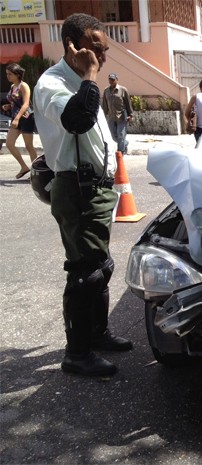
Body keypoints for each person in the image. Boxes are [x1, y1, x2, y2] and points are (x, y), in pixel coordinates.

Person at [33, 13, 133, 377]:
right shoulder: (53, 83)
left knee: (100, 265)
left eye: (104, 51)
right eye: (95, 48)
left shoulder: (80, 81)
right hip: (77, 187)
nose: (101, 58)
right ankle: (77, 353)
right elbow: (77, 119)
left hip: (96, 188)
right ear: (72, 45)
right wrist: (90, 75)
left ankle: (97, 333)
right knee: (85, 271)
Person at [2, 63, 38, 179]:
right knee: (9, 144)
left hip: (26, 118)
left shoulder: (24, 86)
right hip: (15, 118)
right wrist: (8, 106)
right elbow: (16, 102)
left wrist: (17, 118)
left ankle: (36, 172)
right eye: (7, 74)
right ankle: (24, 167)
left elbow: (26, 104)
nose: (8, 76)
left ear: (17, 74)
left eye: (10, 74)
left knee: (29, 146)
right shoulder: (13, 86)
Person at [101, 72, 133, 155]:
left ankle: (121, 152)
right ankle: (125, 143)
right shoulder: (106, 91)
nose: (111, 81)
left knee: (121, 135)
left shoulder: (123, 90)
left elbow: (128, 103)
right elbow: (104, 105)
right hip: (111, 117)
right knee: (114, 137)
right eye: (110, 79)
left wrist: (131, 115)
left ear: (117, 80)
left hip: (122, 117)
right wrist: (103, 116)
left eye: (113, 79)